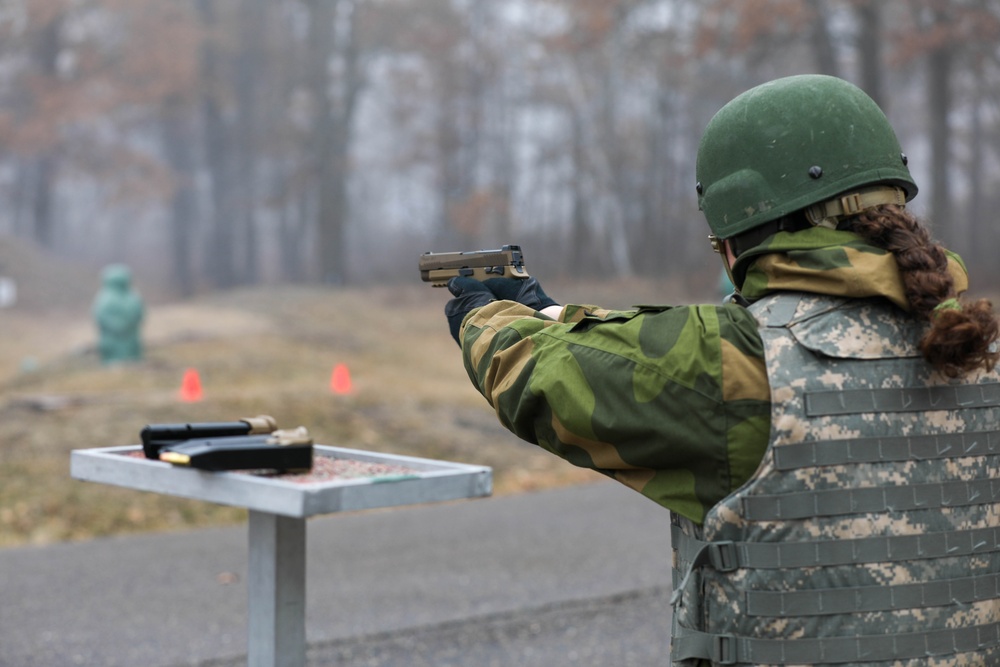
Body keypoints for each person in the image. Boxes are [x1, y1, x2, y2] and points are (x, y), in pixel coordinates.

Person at [443, 74, 1000, 665]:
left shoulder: (737, 361)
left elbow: (540, 375)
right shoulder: (971, 347)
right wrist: (552, 311)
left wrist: (485, 316)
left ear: (742, 233)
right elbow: (664, 345)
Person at [93, 263, 145, 364]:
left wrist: (131, 322)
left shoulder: (132, 296)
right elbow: (102, 316)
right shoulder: (105, 298)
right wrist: (118, 326)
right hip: (113, 339)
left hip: (131, 337)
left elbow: (139, 312)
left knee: (131, 354)